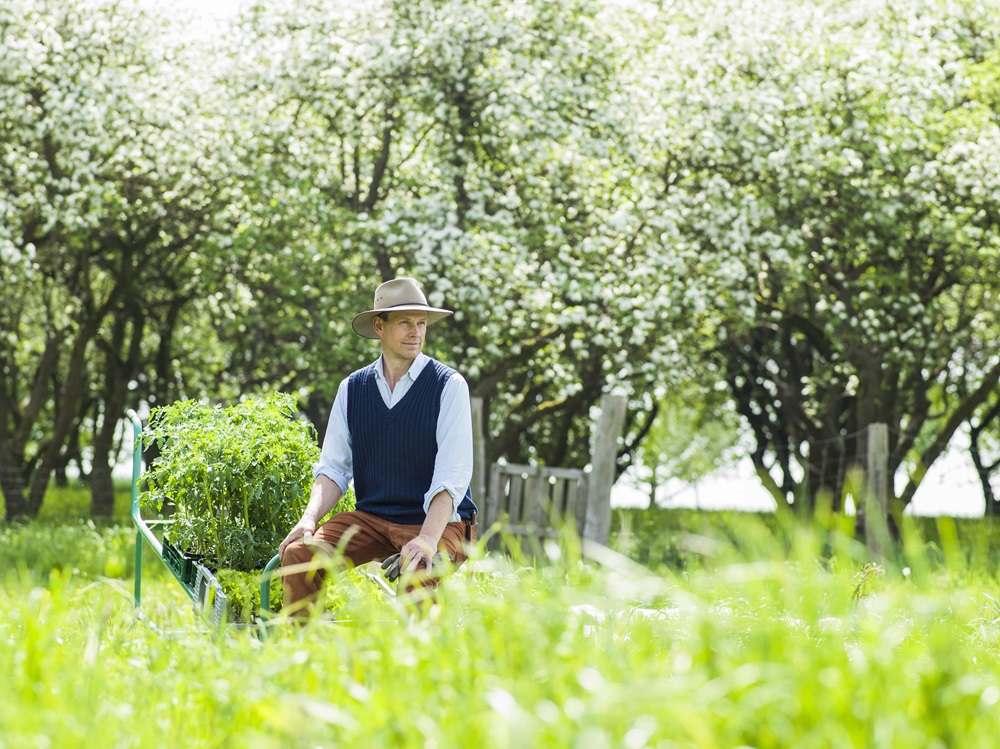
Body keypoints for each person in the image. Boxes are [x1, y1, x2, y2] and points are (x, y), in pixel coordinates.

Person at [278, 277, 478, 613]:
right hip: (373, 519)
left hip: (439, 522)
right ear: (378, 326)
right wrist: (309, 519)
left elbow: (451, 477)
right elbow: (333, 470)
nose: (416, 332)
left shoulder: (448, 385)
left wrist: (427, 540)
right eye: (404, 323)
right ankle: (305, 655)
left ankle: (414, 661)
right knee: (300, 554)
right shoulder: (352, 389)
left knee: (420, 568)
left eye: (421, 323)